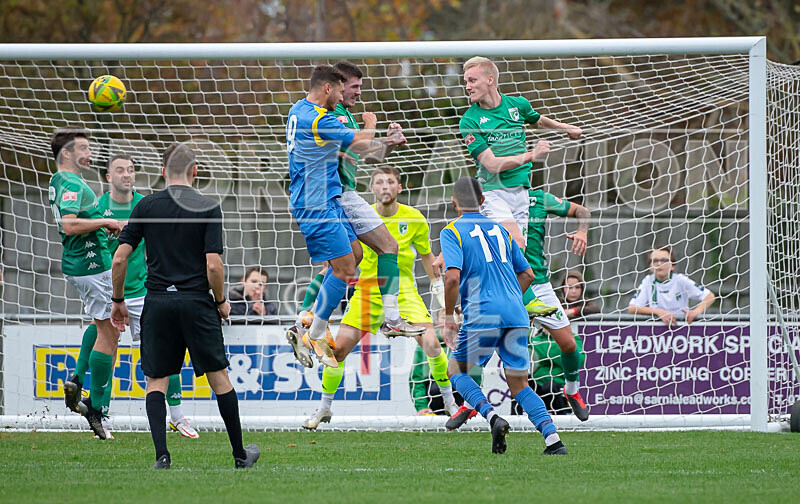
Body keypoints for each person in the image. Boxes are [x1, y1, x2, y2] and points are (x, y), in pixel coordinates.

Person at [110, 143, 258, 469]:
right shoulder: (207, 206)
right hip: (195, 302)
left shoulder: (146, 205)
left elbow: (120, 258)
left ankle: (162, 456)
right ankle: (239, 454)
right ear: (195, 171)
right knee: (219, 377)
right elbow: (215, 267)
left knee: (157, 380)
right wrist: (221, 301)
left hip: (158, 302)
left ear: (163, 172)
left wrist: (118, 300)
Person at [301, 166, 458, 429]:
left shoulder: (415, 218)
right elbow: (334, 263)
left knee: (432, 344)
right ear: (371, 189)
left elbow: (428, 259)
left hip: (403, 290)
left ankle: (450, 404)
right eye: (379, 182)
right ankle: (324, 408)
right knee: (336, 353)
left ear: (399, 187)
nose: (385, 186)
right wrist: (312, 302)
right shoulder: (358, 217)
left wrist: (440, 296)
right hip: (366, 292)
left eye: (390, 182)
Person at [289, 61, 422, 345]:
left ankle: (307, 324)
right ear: (332, 86)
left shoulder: (313, 111)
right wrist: (371, 125)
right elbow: (360, 144)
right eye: (351, 87)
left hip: (332, 196)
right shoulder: (326, 115)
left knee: (354, 257)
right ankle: (311, 330)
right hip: (324, 199)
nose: (356, 93)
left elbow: (365, 150)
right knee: (350, 264)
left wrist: (387, 140)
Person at [439, 177, 567, 455]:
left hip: (484, 312)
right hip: (515, 313)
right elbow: (528, 274)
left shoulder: (452, 231)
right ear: (483, 201)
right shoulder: (501, 230)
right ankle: (553, 440)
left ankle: (491, 416)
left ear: (454, 203)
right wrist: (509, 298)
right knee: (519, 382)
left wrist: (449, 317)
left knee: (456, 370)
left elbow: (451, 278)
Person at [93, 154, 198, 439]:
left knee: (164, 351)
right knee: (104, 346)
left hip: (143, 291)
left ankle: (177, 416)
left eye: (131, 170)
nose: (127, 175)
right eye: (120, 170)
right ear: (107, 177)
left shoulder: (147, 205)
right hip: (108, 292)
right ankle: (99, 414)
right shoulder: (96, 209)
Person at [49, 127, 123, 440]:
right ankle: (96, 407)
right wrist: (105, 221)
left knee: (102, 324)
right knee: (111, 331)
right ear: (66, 153)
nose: (88, 154)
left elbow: (77, 221)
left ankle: (80, 384)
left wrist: (98, 229)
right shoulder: (69, 181)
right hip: (92, 265)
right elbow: (69, 223)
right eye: (82, 148)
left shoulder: (61, 181)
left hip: (84, 263)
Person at [520, 189, 592, 420]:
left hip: (539, 285)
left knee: (569, 344)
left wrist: (582, 231)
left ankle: (571, 390)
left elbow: (582, 211)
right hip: (506, 284)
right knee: (485, 348)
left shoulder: (538, 198)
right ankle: (469, 400)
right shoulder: (493, 200)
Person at [628, 244, 716, 325]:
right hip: (657, 330)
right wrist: (659, 312)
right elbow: (632, 308)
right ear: (650, 266)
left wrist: (696, 312)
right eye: (655, 261)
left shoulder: (680, 280)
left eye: (664, 260)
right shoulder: (648, 281)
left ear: (672, 265)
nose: (659, 264)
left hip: (681, 326)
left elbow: (709, 296)